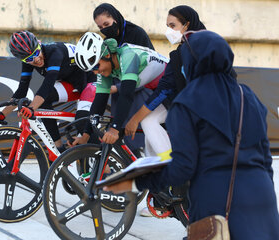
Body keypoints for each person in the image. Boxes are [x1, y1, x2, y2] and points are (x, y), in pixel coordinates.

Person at [104, 30, 279, 239]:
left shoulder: (186, 103)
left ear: (192, 62)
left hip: (216, 204)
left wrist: (137, 181)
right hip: (263, 200)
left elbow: (182, 167)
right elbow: (266, 159)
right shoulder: (248, 96)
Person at [0, 30, 96, 154]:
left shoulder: (54, 52)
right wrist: (2, 114)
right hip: (72, 83)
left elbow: (48, 84)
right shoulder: (28, 62)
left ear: (39, 44)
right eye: (29, 58)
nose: (36, 59)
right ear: (23, 60)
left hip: (90, 80)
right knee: (44, 102)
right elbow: (21, 90)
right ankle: (59, 150)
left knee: (82, 122)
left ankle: (106, 167)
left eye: (37, 52)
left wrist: (31, 108)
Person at [72, 32, 171, 161]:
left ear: (107, 55)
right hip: (161, 93)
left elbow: (126, 95)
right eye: (92, 70)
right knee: (150, 141)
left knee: (149, 122)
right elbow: (99, 101)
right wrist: (85, 135)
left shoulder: (128, 55)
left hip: (176, 90)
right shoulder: (107, 67)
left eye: (96, 66)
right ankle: (160, 172)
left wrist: (115, 129)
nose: (96, 72)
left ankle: (173, 168)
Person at [125, 5, 206, 152]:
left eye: (173, 26)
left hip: (199, 112)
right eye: (167, 26)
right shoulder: (205, 45)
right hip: (206, 107)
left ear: (187, 24)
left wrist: (135, 119)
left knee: (148, 121)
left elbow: (163, 90)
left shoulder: (182, 54)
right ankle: (156, 166)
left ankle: (169, 166)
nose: (169, 31)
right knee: (149, 122)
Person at [93, 3, 156, 159]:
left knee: (139, 126)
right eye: (101, 27)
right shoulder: (107, 44)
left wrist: (119, 87)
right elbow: (101, 95)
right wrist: (87, 132)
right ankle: (130, 157)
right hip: (121, 85)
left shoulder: (136, 34)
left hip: (142, 84)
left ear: (116, 18)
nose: (105, 30)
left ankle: (144, 156)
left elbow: (142, 70)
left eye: (107, 24)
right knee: (119, 118)